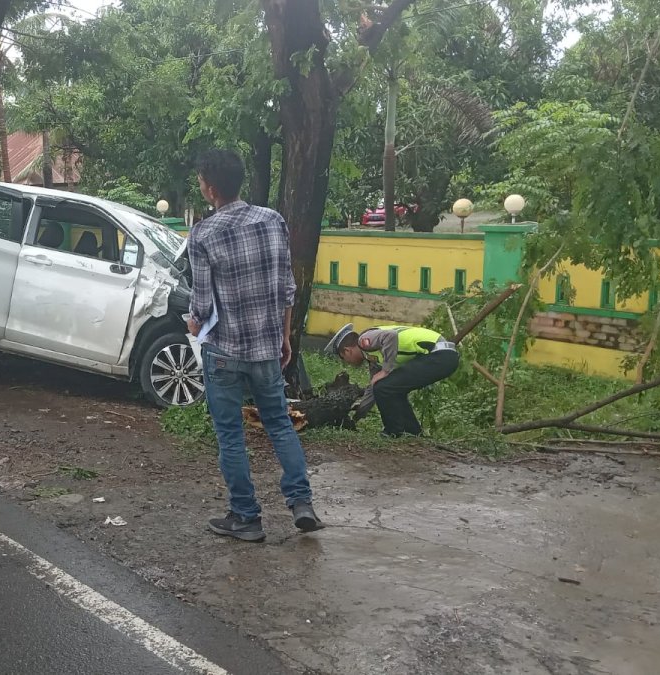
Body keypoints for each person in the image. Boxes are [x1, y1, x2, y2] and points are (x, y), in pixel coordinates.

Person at [187, 149, 322, 542]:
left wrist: (194, 324)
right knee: (280, 424)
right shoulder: (272, 220)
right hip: (266, 348)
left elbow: (201, 305)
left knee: (231, 434)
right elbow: (286, 288)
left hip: (225, 352)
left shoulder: (203, 234)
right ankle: (301, 504)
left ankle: (246, 517)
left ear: (211, 189)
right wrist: (283, 335)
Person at [324, 323, 460, 437]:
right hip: (440, 357)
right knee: (389, 387)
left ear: (347, 351)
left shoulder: (365, 340)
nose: (348, 363)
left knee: (385, 387)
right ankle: (412, 432)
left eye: (343, 359)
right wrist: (357, 414)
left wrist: (386, 370)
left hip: (439, 355)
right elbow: (374, 388)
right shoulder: (372, 357)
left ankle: (393, 431)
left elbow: (391, 336)